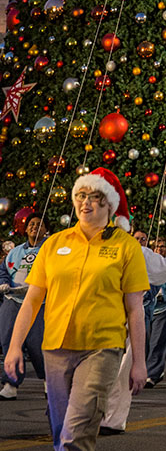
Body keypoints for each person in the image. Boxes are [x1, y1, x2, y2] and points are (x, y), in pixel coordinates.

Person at [3, 167, 149, 451]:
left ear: (109, 205)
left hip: (101, 349)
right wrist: (14, 346)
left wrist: (138, 362)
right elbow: (32, 299)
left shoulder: (126, 247)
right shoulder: (54, 244)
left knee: (76, 433)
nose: (86, 202)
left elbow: (135, 309)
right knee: (60, 433)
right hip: (55, 349)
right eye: (81, 195)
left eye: (95, 196)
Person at [100, 232, 166, 434]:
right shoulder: (132, 250)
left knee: (120, 368)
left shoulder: (134, 250)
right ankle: (104, 417)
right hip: (106, 315)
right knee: (109, 368)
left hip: (121, 315)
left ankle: (108, 419)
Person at [0, 214, 49, 401]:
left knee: (39, 343)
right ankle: (10, 383)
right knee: (9, 341)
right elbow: (3, 271)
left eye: (39, 224)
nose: (35, 227)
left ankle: (48, 380)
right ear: (26, 229)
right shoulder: (15, 252)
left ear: (46, 230)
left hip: (39, 303)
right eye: (31, 224)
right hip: (13, 300)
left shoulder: (51, 249)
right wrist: (4, 283)